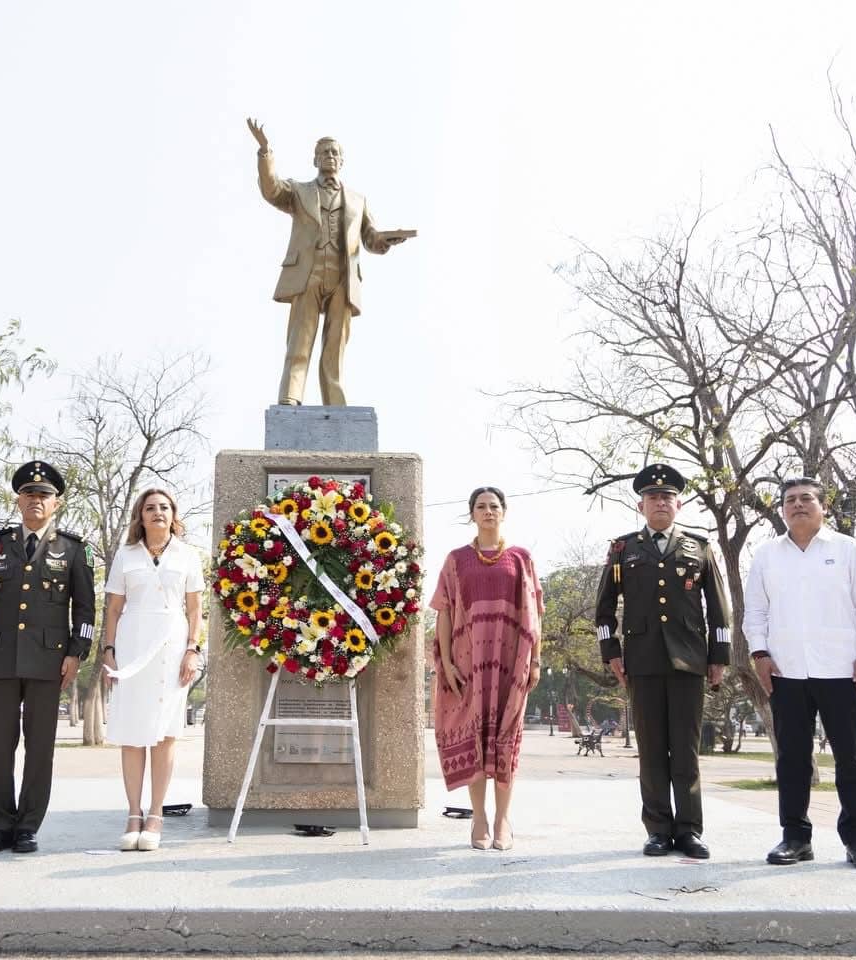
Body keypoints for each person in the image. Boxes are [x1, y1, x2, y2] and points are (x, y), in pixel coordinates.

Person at [743, 476, 856, 871]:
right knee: (791, 759)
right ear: (782, 509)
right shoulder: (768, 554)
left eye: (807, 499)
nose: (798, 505)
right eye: (790, 500)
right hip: (786, 670)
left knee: (852, 759)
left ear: (824, 506)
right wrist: (759, 653)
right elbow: (755, 610)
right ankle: (795, 837)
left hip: (840, 669)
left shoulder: (848, 550)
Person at [595, 463, 730, 859]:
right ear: (641, 506)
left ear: (679, 504)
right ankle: (657, 829)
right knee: (652, 750)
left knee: (685, 750)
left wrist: (718, 656)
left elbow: (719, 610)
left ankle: (689, 830)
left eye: (667, 497)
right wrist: (611, 653)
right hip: (643, 660)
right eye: (653, 497)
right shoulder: (623, 549)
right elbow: (604, 609)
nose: (660, 502)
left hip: (690, 661)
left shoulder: (699, 547)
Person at [0, 461, 95, 855]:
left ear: (57, 503)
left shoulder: (72, 549)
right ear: (18, 499)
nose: (36, 500)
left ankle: (28, 826)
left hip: (48, 662)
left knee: (40, 748)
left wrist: (76, 652)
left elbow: (85, 609)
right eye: (29, 494)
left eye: (44, 495)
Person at [246, 118, 413, 406]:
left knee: (335, 346)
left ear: (342, 160)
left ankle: (335, 404)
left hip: (343, 278)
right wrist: (265, 152)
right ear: (315, 159)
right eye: (324, 152)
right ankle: (290, 397)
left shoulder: (358, 200)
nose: (330, 156)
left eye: (335, 152)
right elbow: (271, 189)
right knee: (300, 340)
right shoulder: (299, 191)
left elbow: (370, 237)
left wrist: (386, 240)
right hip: (307, 272)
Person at [431, 487, 544, 851]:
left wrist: (536, 658)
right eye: (481, 507)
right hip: (469, 664)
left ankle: (503, 819)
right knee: (475, 738)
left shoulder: (521, 558)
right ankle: (478, 817)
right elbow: (445, 611)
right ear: (472, 514)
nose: (488, 512)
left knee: (506, 741)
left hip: (511, 662)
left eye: (494, 506)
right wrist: (447, 663)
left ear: (504, 512)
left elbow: (535, 612)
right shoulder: (456, 559)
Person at [101, 489, 204, 851]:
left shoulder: (187, 555)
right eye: (150, 508)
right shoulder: (126, 555)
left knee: (164, 733)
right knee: (132, 732)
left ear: (173, 513)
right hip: (132, 646)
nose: (157, 512)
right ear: (140, 516)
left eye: (163, 507)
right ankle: (133, 812)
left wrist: (192, 650)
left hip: (173, 648)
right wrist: (109, 649)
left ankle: (156, 813)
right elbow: (114, 608)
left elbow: (194, 610)